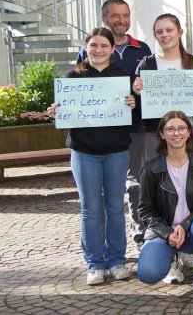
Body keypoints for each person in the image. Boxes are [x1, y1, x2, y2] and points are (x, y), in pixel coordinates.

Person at [47, 27, 138, 285]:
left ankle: (118, 261)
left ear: (112, 49)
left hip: (117, 151)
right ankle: (95, 264)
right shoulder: (72, 78)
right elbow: (66, 117)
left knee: (114, 208)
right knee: (90, 210)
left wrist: (134, 104)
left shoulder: (123, 77)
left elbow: (134, 116)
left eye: (104, 46)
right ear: (86, 48)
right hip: (84, 152)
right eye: (93, 45)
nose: (98, 50)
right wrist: (57, 113)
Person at [131, 13, 193, 252]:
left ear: (180, 32)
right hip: (155, 136)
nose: (164, 35)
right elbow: (139, 110)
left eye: (169, 30)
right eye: (159, 31)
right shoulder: (146, 65)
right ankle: (162, 236)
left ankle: (190, 237)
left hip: (189, 134)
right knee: (159, 185)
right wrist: (136, 94)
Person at [75, 0, 152, 250]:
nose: (121, 20)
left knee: (137, 182)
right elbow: (79, 91)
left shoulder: (143, 49)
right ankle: (102, 244)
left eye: (125, 15)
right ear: (104, 19)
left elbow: (151, 88)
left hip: (137, 128)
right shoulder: (89, 50)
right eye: (115, 16)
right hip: (101, 133)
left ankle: (139, 231)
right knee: (102, 195)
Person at [136, 111, 193, 293]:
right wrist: (167, 234)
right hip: (163, 235)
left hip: (192, 230)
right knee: (148, 273)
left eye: (182, 128)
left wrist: (184, 225)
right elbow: (145, 210)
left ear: (189, 132)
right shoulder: (150, 169)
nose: (177, 133)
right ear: (161, 133)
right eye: (171, 129)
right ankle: (172, 257)